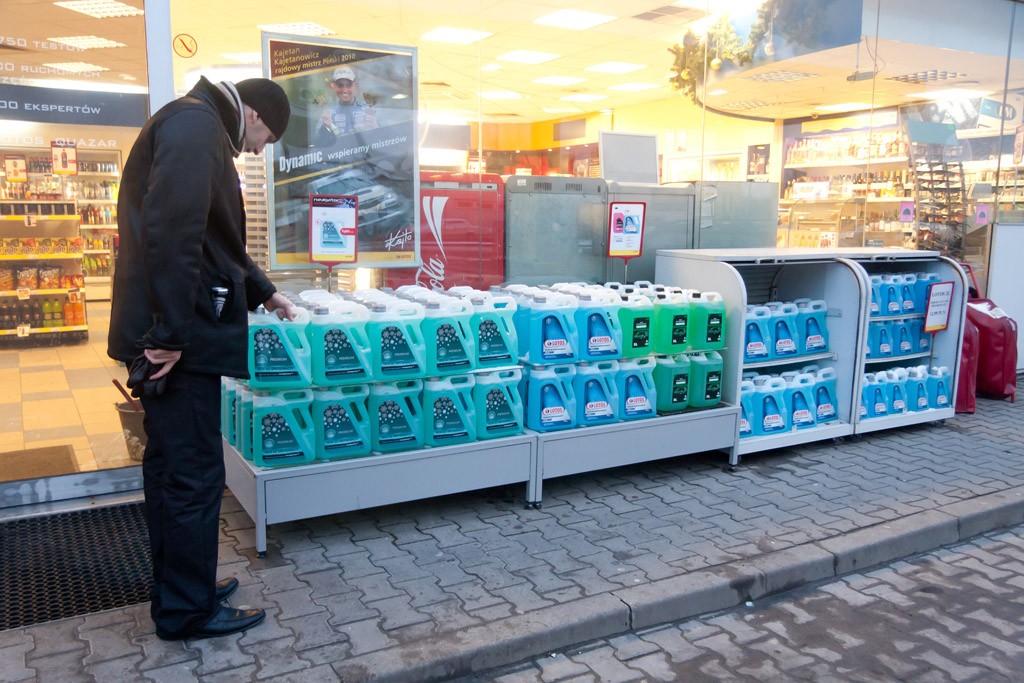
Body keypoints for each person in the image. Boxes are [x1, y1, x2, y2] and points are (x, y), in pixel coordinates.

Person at [108, 76, 297, 641]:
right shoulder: (196, 127)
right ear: (255, 114)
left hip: (176, 335)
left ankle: (180, 588)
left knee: (171, 470)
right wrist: (168, 333)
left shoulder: (196, 122)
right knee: (192, 475)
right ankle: (187, 611)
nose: (258, 149)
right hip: (177, 344)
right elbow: (172, 232)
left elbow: (215, 238)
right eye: (266, 138)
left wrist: (262, 289)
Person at [313, 66, 378, 145]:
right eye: (340, 85)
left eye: (349, 85)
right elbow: (317, 143)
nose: (345, 90)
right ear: (334, 86)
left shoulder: (367, 110)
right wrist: (325, 128)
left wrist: (376, 128)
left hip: (366, 156)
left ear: (355, 85)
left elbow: (383, 141)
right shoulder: (329, 113)